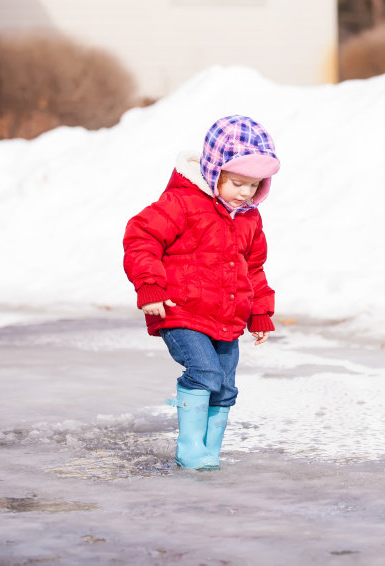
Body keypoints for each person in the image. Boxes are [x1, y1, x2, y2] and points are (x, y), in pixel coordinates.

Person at [123, 115, 280, 470]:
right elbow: (141, 238)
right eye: (238, 182)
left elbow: (253, 268)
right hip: (180, 311)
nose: (245, 193)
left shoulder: (249, 219)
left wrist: (259, 313)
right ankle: (190, 447)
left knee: (225, 387)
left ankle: (208, 453)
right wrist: (149, 286)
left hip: (226, 317)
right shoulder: (182, 203)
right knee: (205, 373)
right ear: (214, 171)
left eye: (254, 185)